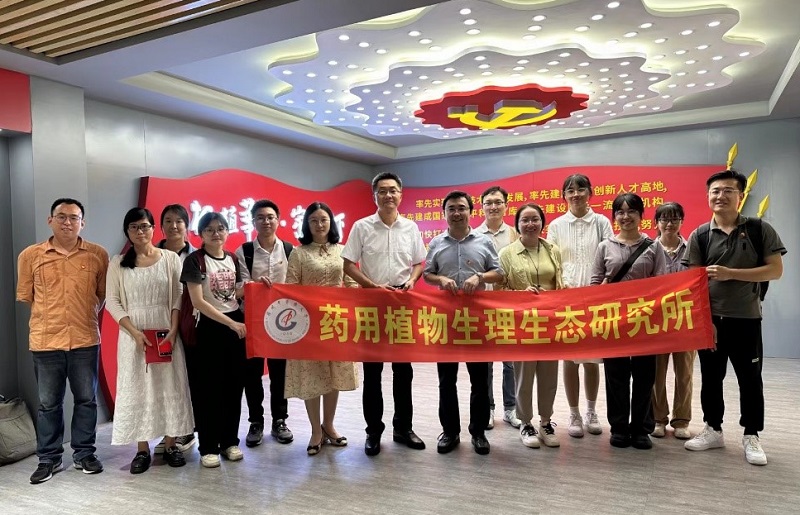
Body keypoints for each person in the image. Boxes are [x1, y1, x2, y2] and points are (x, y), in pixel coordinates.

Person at [682, 170, 785, 466]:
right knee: (711, 378)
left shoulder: (758, 229)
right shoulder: (700, 235)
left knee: (750, 380)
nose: (721, 196)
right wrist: (705, 321)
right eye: (715, 191)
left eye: (728, 190)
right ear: (708, 196)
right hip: (712, 321)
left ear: (740, 196)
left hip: (746, 319)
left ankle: (751, 434)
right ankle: (713, 429)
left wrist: (732, 274)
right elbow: (693, 283)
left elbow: (775, 270)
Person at [17, 198, 109, 484]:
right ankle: (49, 458)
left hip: (84, 339)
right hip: (46, 341)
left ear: (83, 222)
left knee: (86, 400)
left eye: (74, 217)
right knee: (48, 404)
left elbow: (103, 295)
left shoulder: (97, 255)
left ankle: (84, 454)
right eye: (61, 217)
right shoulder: (30, 255)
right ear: (50, 220)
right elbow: (27, 296)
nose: (67, 222)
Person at [342, 172, 427, 456]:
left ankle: (403, 428)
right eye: (382, 191)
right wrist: (372, 286)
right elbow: (348, 264)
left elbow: (419, 262)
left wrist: (412, 280)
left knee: (403, 372)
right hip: (372, 305)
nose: (388, 195)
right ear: (374, 196)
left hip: (402, 305)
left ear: (401, 194)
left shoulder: (411, 227)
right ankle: (373, 431)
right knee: (373, 373)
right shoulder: (362, 227)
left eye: (393, 190)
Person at [105, 207, 194, 474]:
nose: (140, 231)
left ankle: (171, 445)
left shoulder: (170, 259)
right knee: (138, 388)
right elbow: (112, 301)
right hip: (133, 336)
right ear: (127, 231)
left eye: (144, 226)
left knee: (169, 386)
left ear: (154, 229)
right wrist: (134, 332)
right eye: (134, 227)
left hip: (166, 332)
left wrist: (173, 329)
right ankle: (142, 449)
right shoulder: (118, 263)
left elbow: (179, 295)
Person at [424, 191, 503, 455]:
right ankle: (450, 432)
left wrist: (479, 277)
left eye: (461, 208)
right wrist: (440, 280)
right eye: (451, 209)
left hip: (476, 320)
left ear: (470, 211)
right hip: (446, 320)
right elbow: (427, 274)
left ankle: (478, 433)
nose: (456, 213)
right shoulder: (436, 243)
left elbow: (499, 273)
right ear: (444, 213)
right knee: (446, 381)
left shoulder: (484, 241)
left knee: (479, 381)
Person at [591, 193, 666, 450]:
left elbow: (662, 283)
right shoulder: (605, 246)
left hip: (645, 321)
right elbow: (594, 283)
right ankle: (620, 427)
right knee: (616, 376)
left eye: (631, 211)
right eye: (620, 212)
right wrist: (601, 291)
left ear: (641, 215)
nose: (626, 216)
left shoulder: (653, 246)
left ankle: (642, 429)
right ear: (614, 217)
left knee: (645, 376)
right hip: (614, 321)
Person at [284, 202, 359, 456]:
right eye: (314, 220)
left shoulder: (342, 250)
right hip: (308, 325)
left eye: (324, 220)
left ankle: (329, 425)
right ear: (307, 224)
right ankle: (316, 430)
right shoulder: (299, 253)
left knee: (334, 375)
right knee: (312, 377)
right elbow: (291, 287)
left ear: (331, 222)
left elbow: (351, 283)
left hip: (336, 323)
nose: (319, 224)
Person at [547, 173, 613, 438]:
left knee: (592, 360)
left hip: (595, 297)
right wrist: (559, 289)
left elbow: (611, 255)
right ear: (564, 195)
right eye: (570, 190)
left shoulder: (601, 222)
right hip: (567, 298)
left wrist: (604, 285)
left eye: (580, 189)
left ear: (590, 193)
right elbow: (552, 261)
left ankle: (591, 411)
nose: (575, 194)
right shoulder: (556, 225)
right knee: (570, 358)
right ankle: (573, 413)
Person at [180, 212, 247, 468]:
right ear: (201, 234)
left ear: (227, 231)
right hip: (208, 328)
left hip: (234, 328)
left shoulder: (232, 258)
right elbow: (198, 301)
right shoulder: (195, 261)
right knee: (207, 390)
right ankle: (208, 446)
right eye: (209, 229)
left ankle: (230, 442)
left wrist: (254, 287)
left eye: (220, 228)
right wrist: (230, 323)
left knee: (233, 387)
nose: (216, 233)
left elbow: (233, 293)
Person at [498, 204, 563, 449]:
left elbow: (560, 283)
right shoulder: (507, 253)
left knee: (549, 375)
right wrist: (520, 294)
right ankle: (526, 423)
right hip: (523, 323)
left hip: (549, 321)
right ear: (517, 225)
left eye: (535, 219)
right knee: (523, 376)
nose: (530, 224)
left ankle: (546, 422)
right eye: (524, 220)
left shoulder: (553, 250)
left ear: (542, 222)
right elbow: (499, 290)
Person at [235, 200, 294, 448]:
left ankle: (280, 420)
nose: (266, 221)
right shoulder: (244, 251)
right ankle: (256, 422)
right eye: (260, 217)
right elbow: (238, 287)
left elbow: (295, 285)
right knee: (252, 375)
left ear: (278, 219)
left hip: (282, 322)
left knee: (280, 374)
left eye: (270, 217)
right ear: (253, 222)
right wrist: (255, 285)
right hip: (253, 321)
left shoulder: (290, 250)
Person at [475, 186, 521, 430]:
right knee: (485, 363)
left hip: (507, 307)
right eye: (488, 203)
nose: (493, 207)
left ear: (506, 205)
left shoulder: (515, 234)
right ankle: (488, 408)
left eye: (498, 202)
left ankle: (511, 409)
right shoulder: (473, 235)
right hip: (481, 306)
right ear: (482, 206)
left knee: (510, 362)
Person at [154, 204, 198, 454]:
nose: (174, 226)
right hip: (160, 324)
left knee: (189, 378)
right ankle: (169, 431)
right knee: (166, 380)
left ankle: (186, 430)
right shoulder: (150, 255)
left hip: (190, 324)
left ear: (187, 226)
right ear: (161, 226)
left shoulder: (197, 256)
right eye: (168, 221)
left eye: (179, 221)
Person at [650, 202, 694, 440]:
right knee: (657, 373)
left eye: (675, 219)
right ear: (656, 223)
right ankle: (658, 419)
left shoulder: (692, 249)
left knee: (684, 373)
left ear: (681, 222)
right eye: (664, 219)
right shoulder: (648, 250)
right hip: (656, 321)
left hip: (685, 320)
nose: (669, 224)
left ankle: (681, 420)